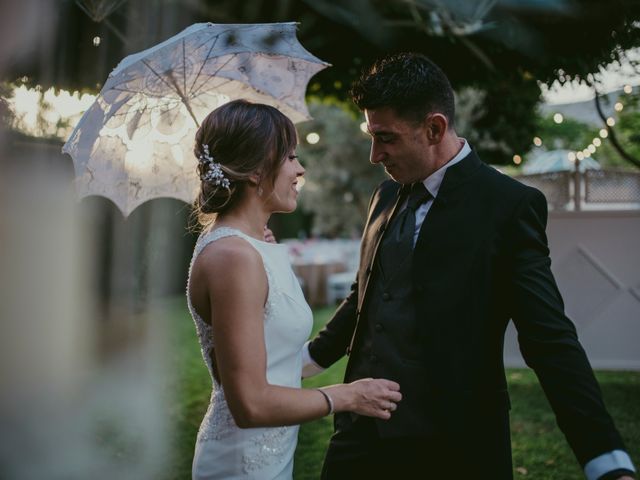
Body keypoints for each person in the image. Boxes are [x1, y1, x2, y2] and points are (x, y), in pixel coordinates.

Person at [302, 53, 636, 479]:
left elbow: (549, 339)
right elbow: (365, 300)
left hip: (453, 444)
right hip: (359, 437)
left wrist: (605, 458)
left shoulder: (508, 207)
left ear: (434, 128)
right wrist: (292, 367)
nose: (374, 155)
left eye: (385, 138)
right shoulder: (384, 196)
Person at [186, 99, 402, 480]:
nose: (300, 169)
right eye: (289, 157)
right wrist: (348, 395)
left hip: (270, 456)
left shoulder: (249, 248)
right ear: (255, 171)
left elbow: (272, 360)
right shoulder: (234, 256)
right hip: (240, 465)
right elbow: (250, 404)